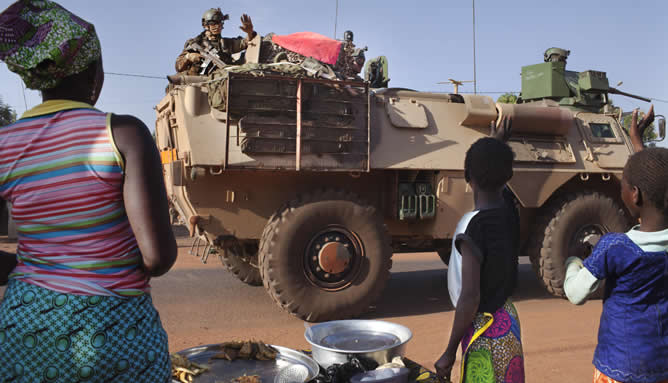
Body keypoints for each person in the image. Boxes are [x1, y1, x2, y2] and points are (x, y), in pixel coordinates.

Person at [0, 1, 177, 382]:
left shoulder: (4, 143)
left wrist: (30, 271)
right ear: (95, 71)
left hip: (24, 327)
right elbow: (158, 257)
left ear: (35, 77)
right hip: (114, 330)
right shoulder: (125, 134)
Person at [563, 106, 667, 383]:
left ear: (635, 195)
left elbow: (575, 293)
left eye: (624, 182)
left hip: (620, 369)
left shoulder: (615, 247)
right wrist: (637, 142)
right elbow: (657, 180)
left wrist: (573, 261)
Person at [435, 118, 525, 383]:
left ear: (467, 177)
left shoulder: (473, 229)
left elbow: (470, 297)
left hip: (484, 332)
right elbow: (498, 177)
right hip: (508, 323)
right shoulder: (509, 212)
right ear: (508, 176)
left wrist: (449, 352)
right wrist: (497, 144)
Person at [175, 8, 256, 75]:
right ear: (206, 25)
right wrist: (189, 57)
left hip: (221, 78)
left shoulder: (225, 43)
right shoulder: (196, 43)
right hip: (200, 81)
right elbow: (178, 66)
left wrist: (249, 32)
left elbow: (245, 42)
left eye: (219, 23)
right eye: (213, 23)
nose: (217, 26)